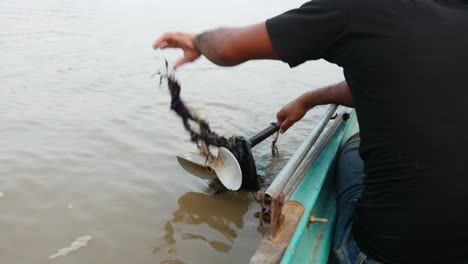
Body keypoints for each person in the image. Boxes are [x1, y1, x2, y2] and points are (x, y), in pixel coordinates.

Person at [153, 0, 468, 263]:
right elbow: (377, 85)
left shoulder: (365, 9)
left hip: (383, 254)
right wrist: (309, 99)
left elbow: (228, 48)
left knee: (352, 148)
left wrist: (197, 42)